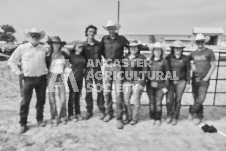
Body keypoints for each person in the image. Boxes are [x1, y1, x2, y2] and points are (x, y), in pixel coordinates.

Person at [8, 27, 47, 133]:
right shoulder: (22, 47)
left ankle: (40, 119)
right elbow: (11, 61)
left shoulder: (44, 48)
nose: (35, 37)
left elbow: (50, 60)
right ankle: (23, 124)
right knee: (25, 102)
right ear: (29, 36)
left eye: (37, 35)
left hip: (42, 79)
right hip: (28, 79)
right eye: (33, 35)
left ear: (40, 37)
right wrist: (18, 73)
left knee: (41, 101)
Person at [101, 20, 129, 129]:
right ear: (107, 30)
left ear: (115, 29)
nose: (111, 30)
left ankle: (119, 118)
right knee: (107, 91)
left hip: (117, 67)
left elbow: (130, 48)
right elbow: (101, 50)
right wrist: (106, 59)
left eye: (112, 28)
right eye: (109, 28)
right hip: (107, 67)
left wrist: (125, 59)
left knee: (118, 93)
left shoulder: (121, 39)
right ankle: (109, 113)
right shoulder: (104, 39)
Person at [188, 34, 216, 125]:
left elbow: (213, 65)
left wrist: (207, 77)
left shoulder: (209, 52)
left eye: (202, 41)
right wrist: (192, 65)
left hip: (204, 79)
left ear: (204, 42)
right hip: (195, 78)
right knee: (196, 98)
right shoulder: (193, 54)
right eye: (198, 42)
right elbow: (185, 61)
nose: (200, 43)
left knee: (201, 98)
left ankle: (192, 110)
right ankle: (199, 116)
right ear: (196, 43)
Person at [165, 40, 191, 125]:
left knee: (178, 100)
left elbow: (188, 71)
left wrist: (188, 83)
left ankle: (175, 117)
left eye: (179, 48)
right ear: (173, 48)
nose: (178, 49)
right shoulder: (168, 58)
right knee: (169, 100)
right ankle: (169, 115)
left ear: (182, 49)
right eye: (176, 48)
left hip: (181, 81)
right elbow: (165, 70)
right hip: (171, 81)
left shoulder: (185, 58)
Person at [83, 25, 106, 120]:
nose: (91, 33)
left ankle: (102, 110)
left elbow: (106, 55)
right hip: (88, 70)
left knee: (100, 90)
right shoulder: (83, 45)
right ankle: (89, 111)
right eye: (90, 31)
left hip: (97, 69)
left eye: (93, 32)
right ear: (86, 33)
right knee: (88, 91)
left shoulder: (99, 45)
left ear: (95, 33)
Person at [122, 40, 147, 125]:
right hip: (127, 82)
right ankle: (128, 117)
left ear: (138, 48)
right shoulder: (125, 57)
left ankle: (134, 118)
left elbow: (145, 70)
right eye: (131, 47)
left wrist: (142, 82)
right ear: (129, 48)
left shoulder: (142, 57)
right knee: (126, 100)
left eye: (135, 47)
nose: (133, 48)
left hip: (137, 82)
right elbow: (123, 69)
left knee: (136, 101)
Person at [46, 36, 68, 126]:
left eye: (58, 43)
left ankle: (63, 116)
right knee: (52, 98)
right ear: (51, 44)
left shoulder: (64, 54)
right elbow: (45, 65)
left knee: (62, 97)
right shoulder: (48, 55)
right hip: (51, 76)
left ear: (60, 44)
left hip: (60, 76)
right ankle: (54, 117)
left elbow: (67, 65)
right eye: (54, 43)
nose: (56, 45)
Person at [147, 42, 170, 127]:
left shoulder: (164, 62)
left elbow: (168, 74)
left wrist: (166, 86)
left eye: (159, 50)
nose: (157, 51)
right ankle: (152, 117)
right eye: (155, 49)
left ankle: (158, 118)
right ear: (153, 51)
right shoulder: (149, 61)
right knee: (151, 103)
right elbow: (145, 73)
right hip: (150, 86)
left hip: (160, 86)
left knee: (158, 103)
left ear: (161, 51)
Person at [67, 40, 86, 122]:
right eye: (79, 46)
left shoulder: (82, 56)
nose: (80, 48)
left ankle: (77, 113)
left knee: (78, 97)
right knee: (72, 97)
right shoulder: (70, 55)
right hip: (72, 78)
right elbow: (66, 66)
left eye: (82, 46)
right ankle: (71, 114)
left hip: (80, 79)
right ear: (75, 47)